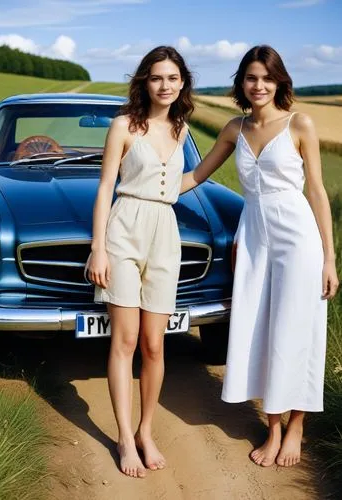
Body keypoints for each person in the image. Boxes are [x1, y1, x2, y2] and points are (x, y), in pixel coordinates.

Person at [181, 45, 339, 468]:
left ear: (279, 81)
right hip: (253, 240)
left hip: (298, 239)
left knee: (298, 330)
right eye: (251, 77)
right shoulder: (235, 128)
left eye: (267, 78)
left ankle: (297, 426)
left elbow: (317, 192)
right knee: (260, 330)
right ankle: (273, 428)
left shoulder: (299, 124)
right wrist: (141, 190)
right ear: (242, 83)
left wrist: (329, 258)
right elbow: (196, 175)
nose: (259, 85)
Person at [87, 46, 194, 478]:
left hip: (165, 234)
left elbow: (173, 183)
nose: (164, 85)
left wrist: (207, 171)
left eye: (172, 78)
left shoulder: (183, 129)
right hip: (125, 229)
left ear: (182, 82)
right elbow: (105, 187)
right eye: (156, 78)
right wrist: (98, 247)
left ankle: (147, 431)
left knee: (155, 343)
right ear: (144, 83)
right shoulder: (123, 126)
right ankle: (124, 438)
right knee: (126, 341)